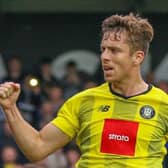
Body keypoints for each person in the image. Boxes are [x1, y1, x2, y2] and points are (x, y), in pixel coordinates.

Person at [0, 13, 167, 168]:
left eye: (114, 50)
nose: (105, 57)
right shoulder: (83, 102)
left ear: (137, 57)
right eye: (103, 49)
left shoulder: (163, 105)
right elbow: (37, 148)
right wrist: (10, 107)